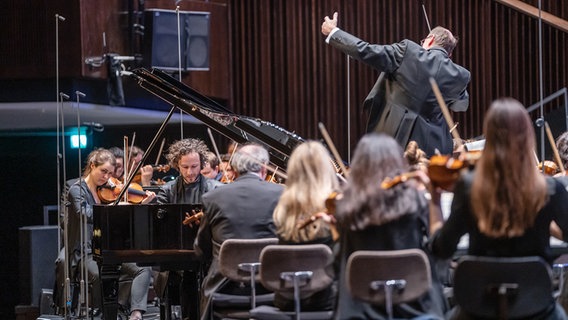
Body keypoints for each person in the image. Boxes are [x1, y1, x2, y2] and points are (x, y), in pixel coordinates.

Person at [428, 98, 568, 319]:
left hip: (477, 309)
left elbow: (441, 249)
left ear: (490, 138)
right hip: (537, 308)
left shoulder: (468, 187)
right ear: (527, 137)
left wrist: (434, 203)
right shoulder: (549, 189)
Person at [321, 12, 471, 157]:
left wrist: (334, 33)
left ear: (430, 39)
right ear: (449, 53)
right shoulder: (460, 75)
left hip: (395, 141)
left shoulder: (409, 51)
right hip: (433, 151)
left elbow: (366, 50)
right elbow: (460, 105)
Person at [334, 133, 447, 320]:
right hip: (416, 309)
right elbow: (440, 252)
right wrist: (434, 201)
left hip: (360, 311)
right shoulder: (416, 201)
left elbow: (338, 266)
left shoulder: (346, 208)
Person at [194, 143, 284, 319]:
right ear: (264, 169)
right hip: (271, 284)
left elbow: (201, 250)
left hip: (225, 286)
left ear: (234, 170)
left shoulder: (213, 198)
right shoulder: (282, 194)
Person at [66, 148, 156, 320]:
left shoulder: (108, 190)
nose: (107, 177)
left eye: (110, 173)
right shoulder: (77, 190)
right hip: (87, 252)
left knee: (143, 268)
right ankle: (105, 314)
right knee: (101, 275)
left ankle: (135, 314)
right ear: (92, 166)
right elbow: (85, 215)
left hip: (110, 249)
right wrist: (114, 207)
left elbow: (122, 220)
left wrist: (140, 204)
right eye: (103, 171)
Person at [155, 138, 223, 320]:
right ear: (177, 164)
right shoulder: (167, 191)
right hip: (178, 250)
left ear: (201, 163)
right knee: (188, 272)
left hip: (209, 249)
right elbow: (160, 224)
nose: (190, 172)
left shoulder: (216, 188)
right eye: (185, 167)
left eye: (194, 166)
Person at [272, 141, 339, 311]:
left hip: (288, 298)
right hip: (329, 299)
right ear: (326, 171)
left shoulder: (281, 211)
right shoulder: (336, 208)